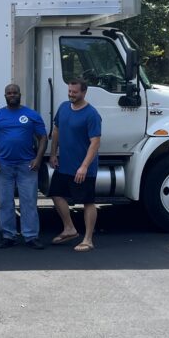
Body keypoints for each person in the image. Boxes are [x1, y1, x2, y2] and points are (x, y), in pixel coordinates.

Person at [0, 83, 47, 249]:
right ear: (5, 96)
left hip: (27, 165)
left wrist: (38, 159)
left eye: (15, 92)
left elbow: (43, 138)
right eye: (9, 93)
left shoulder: (31, 115)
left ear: (20, 94)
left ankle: (31, 236)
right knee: (5, 202)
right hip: (3, 165)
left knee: (29, 202)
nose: (12, 95)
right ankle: (8, 235)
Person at [49, 77, 102, 252]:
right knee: (56, 194)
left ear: (84, 92)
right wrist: (54, 153)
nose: (71, 95)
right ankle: (70, 228)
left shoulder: (92, 114)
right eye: (69, 91)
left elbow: (95, 143)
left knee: (88, 201)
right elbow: (56, 130)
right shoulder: (64, 107)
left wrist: (84, 166)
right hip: (64, 164)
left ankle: (88, 239)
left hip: (83, 168)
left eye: (75, 92)